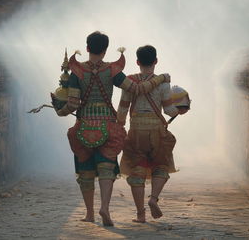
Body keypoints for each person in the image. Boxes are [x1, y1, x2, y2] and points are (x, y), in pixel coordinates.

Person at [52, 32, 170, 226]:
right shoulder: (113, 70)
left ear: (88, 48)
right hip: (108, 125)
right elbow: (137, 89)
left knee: (85, 170)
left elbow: (72, 104)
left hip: (84, 126)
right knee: (106, 167)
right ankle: (105, 208)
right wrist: (161, 78)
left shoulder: (78, 71)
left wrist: (60, 111)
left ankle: (89, 213)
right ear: (105, 50)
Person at [117, 45, 187, 223]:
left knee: (136, 170)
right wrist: (181, 108)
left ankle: (140, 214)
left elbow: (122, 109)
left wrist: (120, 126)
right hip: (157, 130)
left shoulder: (129, 81)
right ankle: (153, 199)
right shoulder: (163, 83)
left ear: (137, 62)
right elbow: (170, 111)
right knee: (161, 166)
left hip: (136, 130)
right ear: (156, 61)